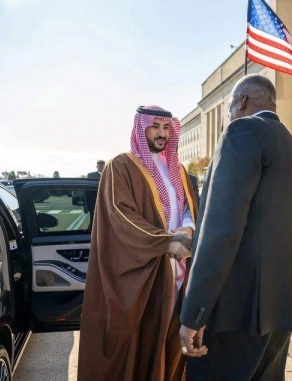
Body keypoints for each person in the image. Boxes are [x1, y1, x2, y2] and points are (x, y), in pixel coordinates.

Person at [179, 74, 292, 380]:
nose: (229, 118)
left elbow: (220, 230)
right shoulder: (289, 142)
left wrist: (195, 312)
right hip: (281, 305)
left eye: (229, 110)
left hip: (239, 310)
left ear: (242, 101)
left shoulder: (243, 130)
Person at [77, 105, 199, 381]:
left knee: (171, 336)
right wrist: (165, 242)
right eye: (155, 127)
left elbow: (190, 208)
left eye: (167, 128)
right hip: (144, 271)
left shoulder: (177, 170)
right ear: (140, 127)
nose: (162, 134)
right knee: (141, 340)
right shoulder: (120, 166)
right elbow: (119, 215)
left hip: (178, 270)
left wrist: (189, 228)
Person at [85, 160, 105, 229]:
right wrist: (87, 206)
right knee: (93, 222)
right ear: (97, 166)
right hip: (94, 203)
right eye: (100, 165)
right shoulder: (91, 175)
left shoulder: (109, 174)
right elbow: (87, 191)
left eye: (103, 165)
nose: (101, 166)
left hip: (106, 203)